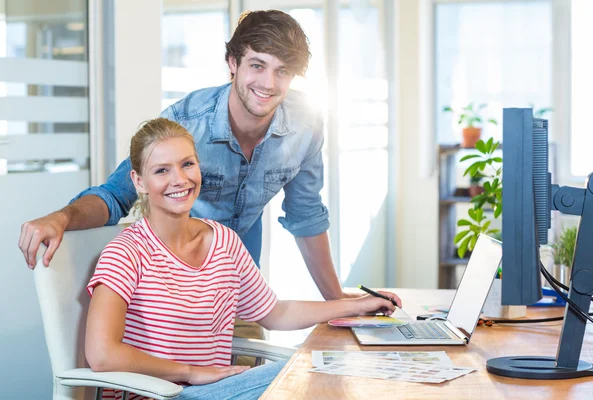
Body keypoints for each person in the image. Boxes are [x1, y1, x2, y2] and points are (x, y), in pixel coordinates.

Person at [19, 9, 354, 302]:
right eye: (257, 65)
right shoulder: (184, 123)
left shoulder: (305, 124)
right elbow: (115, 195)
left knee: (261, 370)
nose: (268, 83)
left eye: (282, 71)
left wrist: (339, 301)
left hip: (241, 287)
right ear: (233, 63)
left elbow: (305, 215)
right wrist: (61, 218)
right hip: (170, 288)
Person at [85, 118, 401, 400]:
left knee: (321, 362)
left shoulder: (224, 241)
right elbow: (101, 354)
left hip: (217, 391)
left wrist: (356, 305)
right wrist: (191, 372)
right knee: (302, 373)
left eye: (187, 164)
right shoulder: (126, 253)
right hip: (162, 394)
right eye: (161, 170)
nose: (180, 179)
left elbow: (276, 313)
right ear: (139, 182)